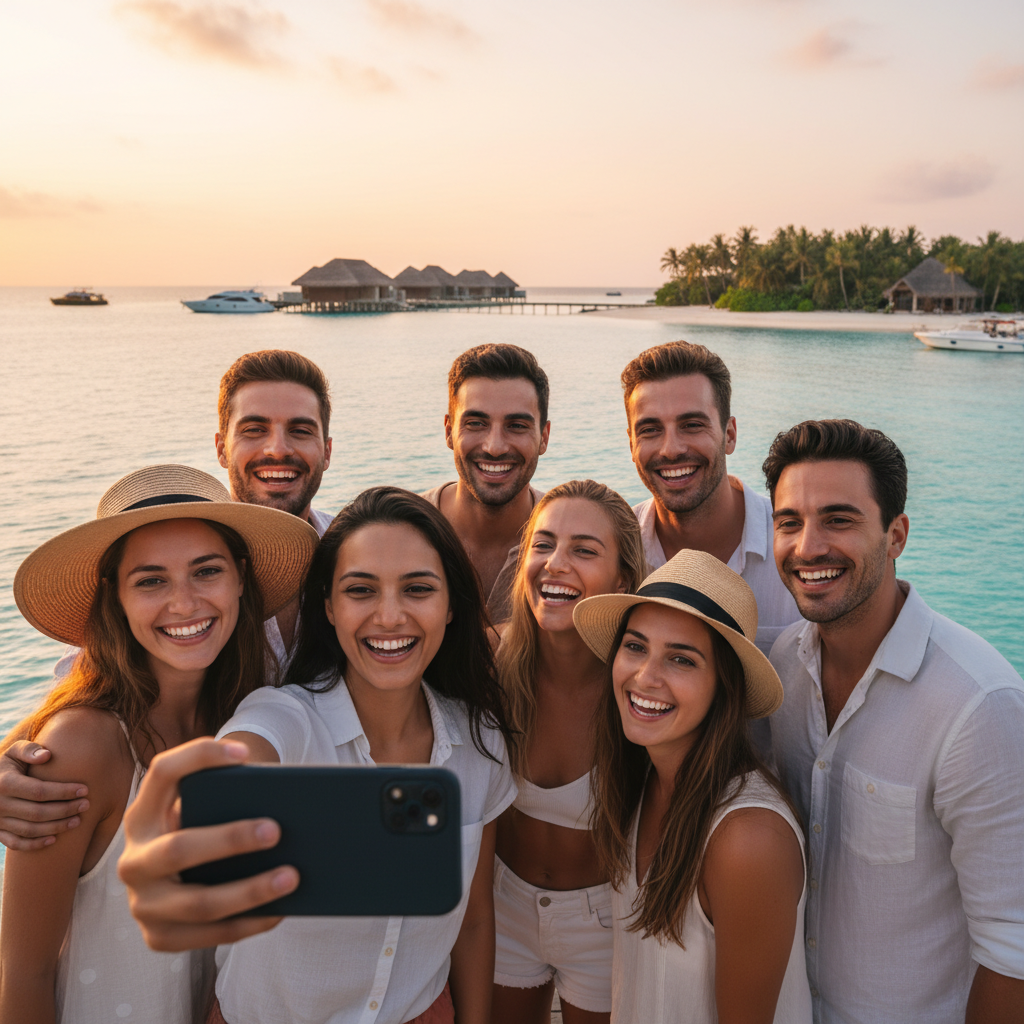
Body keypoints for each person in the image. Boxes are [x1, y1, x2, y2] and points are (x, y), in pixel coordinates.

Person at [117, 487, 517, 1024]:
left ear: (450, 609)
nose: (391, 616)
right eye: (361, 590)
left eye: (418, 589)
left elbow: (472, 920)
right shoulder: (286, 717)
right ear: (328, 607)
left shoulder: (481, 745)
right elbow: (243, 754)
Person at [0, 465, 317, 1024]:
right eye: (150, 580)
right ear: (115, 597)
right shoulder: (81, 747)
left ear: (241, 578)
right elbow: (24, 974)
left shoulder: (245, 717)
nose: (184, 603)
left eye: (206, 571)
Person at [0, 349, 336, 851]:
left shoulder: (353, 562)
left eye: (300, 430)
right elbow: (93, 677)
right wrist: (14, 753)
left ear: (327, 449)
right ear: (222, 447)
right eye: (254, 429)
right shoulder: (164, 562)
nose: (277, 448)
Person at [762, 418, 1024, 1023]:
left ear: (896, 535)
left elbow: (1011, 950)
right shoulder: (781, 673)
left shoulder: (978, 706)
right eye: (789, 522)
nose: (808, 547)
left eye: (839, 519)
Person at [574, 550, 811, 1023]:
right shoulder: (639, 784)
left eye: (681, 659)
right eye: (636, 646)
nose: (645, 677)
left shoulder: (748, 840)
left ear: (724, 687)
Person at [491, 480, 648, 1024]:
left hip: (604, 920)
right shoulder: (491, 666)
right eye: (543, 544)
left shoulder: (640, 690)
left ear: (623, 578)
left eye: (584, 550)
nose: (556, 564)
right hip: (502, 904)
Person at [620, 341, 799, 658]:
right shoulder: (615, 547)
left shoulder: (796, 546)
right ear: (631, 443)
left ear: (729, 435)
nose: (671, 449)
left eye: (691, 425)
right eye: (650, 430)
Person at [423, 343, 551, 623]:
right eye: (476, 423)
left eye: (516, 425)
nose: (494, 447)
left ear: (544, 436)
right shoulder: (405, 529)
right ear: (448, 431)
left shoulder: (569, 539)